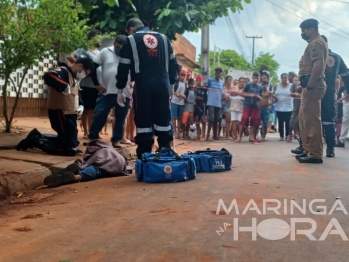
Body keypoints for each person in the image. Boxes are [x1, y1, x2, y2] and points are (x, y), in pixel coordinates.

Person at [116, 18, 179, 158]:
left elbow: (123, 67)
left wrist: (120, 89)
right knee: (163, 118)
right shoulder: (164, 38)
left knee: (144, 120)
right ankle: (165, 150)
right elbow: (174, 64)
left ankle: (145, 155)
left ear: (131, 29)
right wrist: (172, 84)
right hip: (163, 84)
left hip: (143, 85)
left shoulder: (130, 39)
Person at [17, 54, 94, 155]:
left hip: (70, 114)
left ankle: (38, 137)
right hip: (59, 112)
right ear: (80, 66)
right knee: (69, 149)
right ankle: (36, 140)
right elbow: (48, 76)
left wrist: (81, 105)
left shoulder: (75, 78)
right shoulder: (63, 71)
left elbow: (76, 94)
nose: (84, 75)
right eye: (84, 73)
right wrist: (63, 85)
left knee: (72, 143)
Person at [89, 35, 131, 148]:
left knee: (120, 117)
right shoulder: (105, 52)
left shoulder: (130, 54)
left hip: (124, 92)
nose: (118, 50)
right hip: (106, 90)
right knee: (100, 114)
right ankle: (93, 137)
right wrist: (96, 84)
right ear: (114, 44)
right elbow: (93, 67)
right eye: (117, 47)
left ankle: (116, 140)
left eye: (120, 48)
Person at [296, 19, 328, 164]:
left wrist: (309, 86)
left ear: (311, 29)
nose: (302, 33)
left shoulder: (316, 43)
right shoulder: (313, 43)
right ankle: (308, 150)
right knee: (304, 119)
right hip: (309, 86)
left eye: (304, 30)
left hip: (313, 87)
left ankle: (315, 154)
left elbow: (318, 66)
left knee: (312, 121)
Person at [43, 140, 129, 187]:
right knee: (98, 171)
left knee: (88, 162)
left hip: (101, 155)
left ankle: (78, 167)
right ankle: (76, 177)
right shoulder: (123, 161)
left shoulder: (108, 148)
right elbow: (125, 170)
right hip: (113, 164)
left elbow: (97, 144)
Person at [319, 35, 349, 157]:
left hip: (316, 92)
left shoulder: (313, 55)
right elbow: (346, 75)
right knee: (328, 121)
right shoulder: (337, 57)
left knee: (312, 120)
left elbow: (346, 75)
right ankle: (330, 149)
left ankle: (307, 147)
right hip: (330, 92)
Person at [72, 30, 102, 139]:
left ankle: (91, 131)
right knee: (86, 108)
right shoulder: (83, 50)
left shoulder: (100, 53)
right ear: (91, 38)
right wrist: (79, 69)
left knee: (93, 109)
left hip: (96, 85)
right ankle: (85, 132)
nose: (100, 40)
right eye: (97, 37)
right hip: (85, 84)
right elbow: (71, 57)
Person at [237, 72, 262, 143]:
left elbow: (261, 97)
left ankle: (251, 137)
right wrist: (249, 95)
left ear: (259, 78)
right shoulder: (248, 85)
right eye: (255, 78)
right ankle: (239, 137)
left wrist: (259, 97)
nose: (256, 80)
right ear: (252, 78)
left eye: (257, 78)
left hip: (255, 105)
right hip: (247, 105)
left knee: (254, 121)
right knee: (244, 119)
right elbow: (242, 93)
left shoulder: (260, 87)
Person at [273, 73, 293, 142]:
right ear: (281, 78)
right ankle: (281, 136)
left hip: (288, 107)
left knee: (288, 122)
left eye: (286, 77)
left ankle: (287, 135)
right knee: (280, 122)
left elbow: (293, 93)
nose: (284, 79)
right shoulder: (277, 85)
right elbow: (273, 93)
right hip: (279, 107)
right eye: (283, 77)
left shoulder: (291, 85)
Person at [206, 67, 224, 141]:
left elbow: (222, 92)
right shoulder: (210, 80)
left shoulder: (222, 82)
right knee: (211, 119)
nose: (218, 74)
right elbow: (206, 88)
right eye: (217, 72)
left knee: (217, 120)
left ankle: (215, 135)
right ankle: (207, 136)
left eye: (219, 73)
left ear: (221, 74)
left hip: (218, 103)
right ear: (215, 73)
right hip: (211, 102)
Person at [171, 70, 187, 139]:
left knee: (179, 118)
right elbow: (172, 90)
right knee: (174, 117)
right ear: (179, 75)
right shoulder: (176, 82)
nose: (182, 77)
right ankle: (175, 132)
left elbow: (186, 92)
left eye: (184, 76)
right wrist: (176, 93)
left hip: (181, 102)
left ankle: (178, 132)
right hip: (175, 101)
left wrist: (184, 96)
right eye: (181, 75)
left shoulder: (185, 83)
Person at [194, 75, 207, 141]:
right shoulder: (194, 88)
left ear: (202, 81)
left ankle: (203, 135)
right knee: (197, 121)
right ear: (196, 81)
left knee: (203, 121)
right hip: (195, 106)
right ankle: (198, 135)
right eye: (197, 81)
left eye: (200, 81)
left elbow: (202, 98)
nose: (198, 82)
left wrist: (195, 98)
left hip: (202, 106)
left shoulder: (203, 89)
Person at [221, 76, 233, 140]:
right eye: (228, 80)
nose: (229, 81)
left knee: (231, 120)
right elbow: (220, 97)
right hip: (225, 105)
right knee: (227, 120)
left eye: (230, 80)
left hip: (232, 105)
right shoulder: (223, 88)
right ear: (226, 81)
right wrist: (224, 97)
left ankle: (230, 133)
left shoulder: (233, 88)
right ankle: (227, 135)